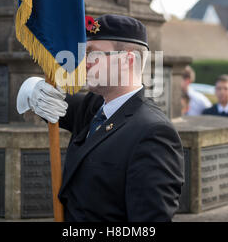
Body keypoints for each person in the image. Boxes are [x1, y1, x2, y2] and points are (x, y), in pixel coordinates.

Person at [17, 14, 184, 222]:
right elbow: (50, 97)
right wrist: (32, 86)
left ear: (127, 60)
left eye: (92, 54)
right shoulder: (94, 107)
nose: (84, 62)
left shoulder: (153, 133)